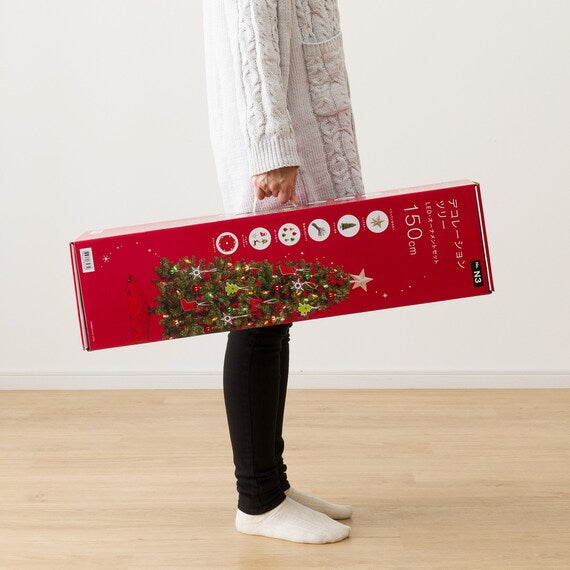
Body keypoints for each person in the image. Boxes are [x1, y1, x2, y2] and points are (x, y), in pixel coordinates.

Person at [202, 0, 365, 545]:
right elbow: (251, 37)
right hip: (270, 144)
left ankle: (273, 485)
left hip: (284, 133)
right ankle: (258, 500)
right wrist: (272, 146)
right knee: (259, 317)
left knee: (275, 316)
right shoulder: (270, 144)